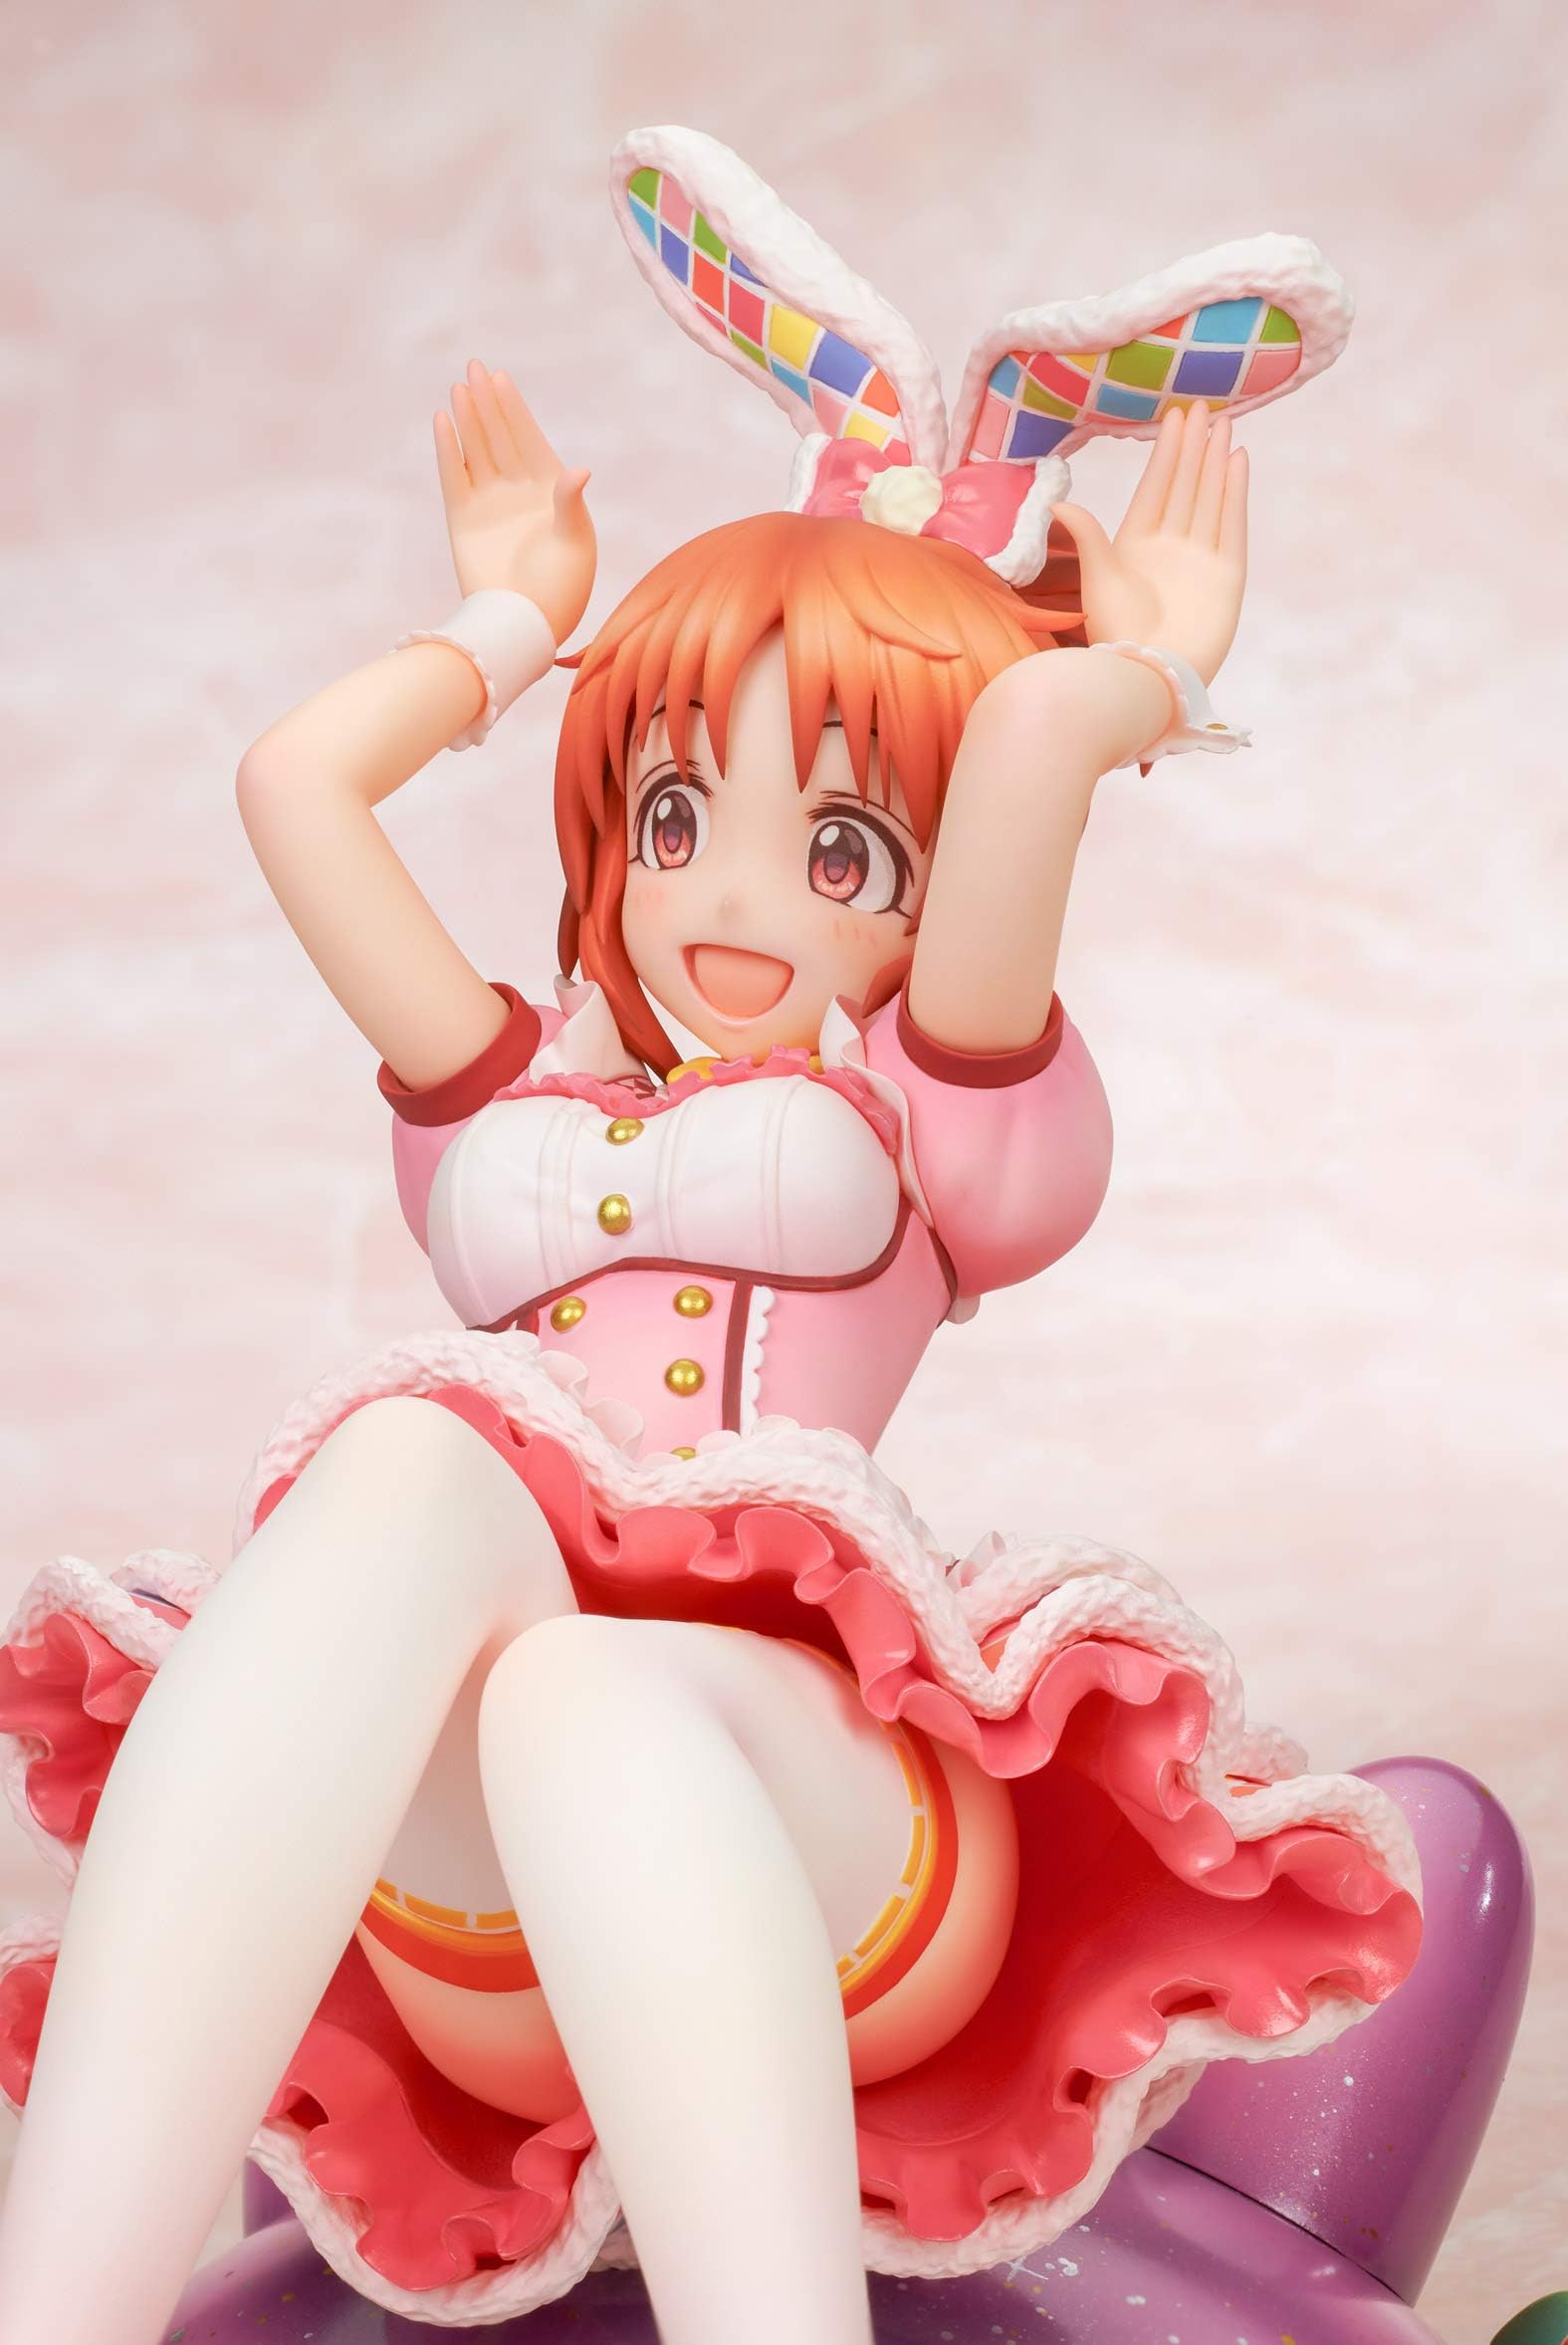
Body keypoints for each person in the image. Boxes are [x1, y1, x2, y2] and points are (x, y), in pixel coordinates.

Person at [0, 126, 1421, 2345]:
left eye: (839, 847)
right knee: (412, 1465)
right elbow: (295, 789)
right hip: (478, 1921)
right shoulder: (507, 1100)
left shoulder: (937, 1113)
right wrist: (513, 616)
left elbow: (1025, 744)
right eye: (675, 810)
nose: (733, 895)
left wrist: (1139, 671)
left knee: (583, 1681)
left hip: (818, 1843)